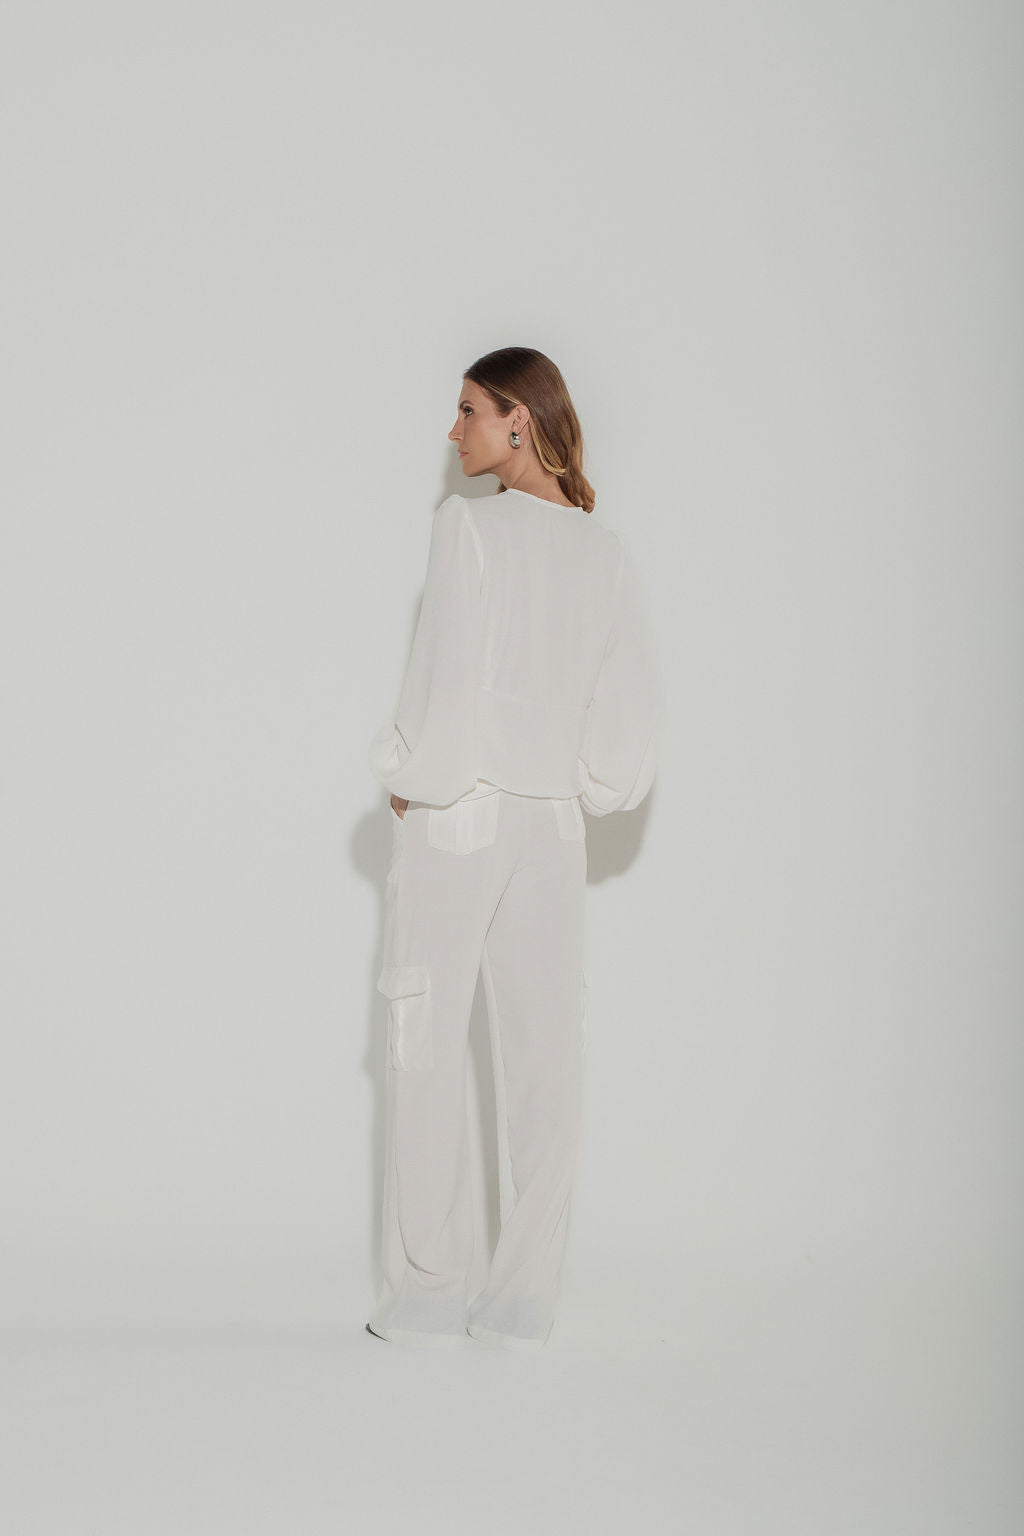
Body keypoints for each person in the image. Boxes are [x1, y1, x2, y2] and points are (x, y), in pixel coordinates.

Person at [365, 346, 663, 1349]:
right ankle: (523, 1299)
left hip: (459, 814)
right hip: (553, 825)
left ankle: (427, 1293)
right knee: (545, 1057)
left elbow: (445, 676)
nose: (452, 431)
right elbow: (627, 722)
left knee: (424, 1038)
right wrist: (577, 780)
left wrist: (408, 773)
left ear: (517, 421)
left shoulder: (468, 529)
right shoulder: (605, 553)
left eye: (468, 411)